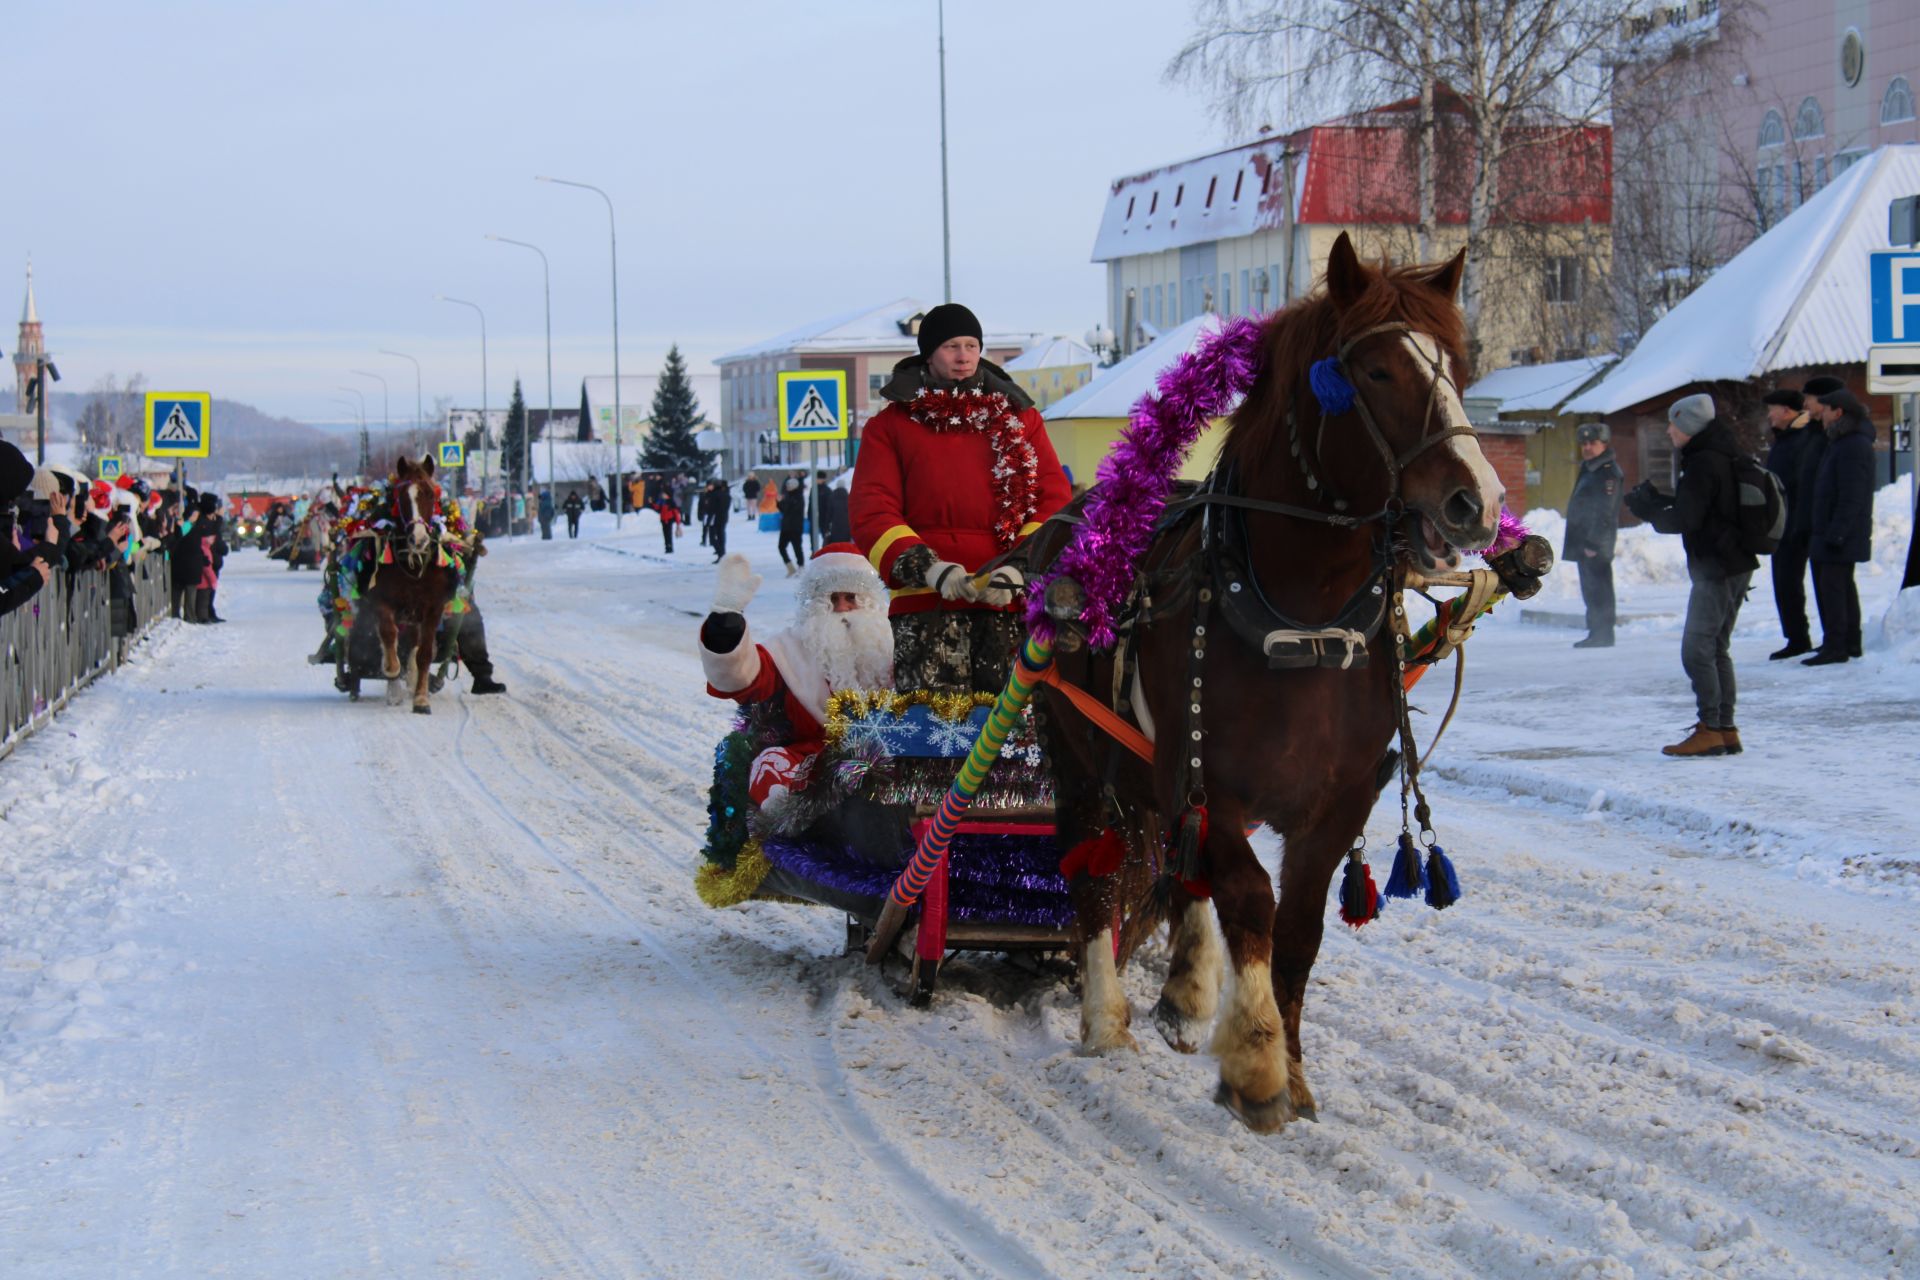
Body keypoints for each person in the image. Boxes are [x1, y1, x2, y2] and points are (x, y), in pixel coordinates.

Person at [850, 301, 1072, 693]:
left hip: (1005, 599)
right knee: (935, 735)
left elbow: (1050, 498)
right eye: (952, 346)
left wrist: (1018, 569)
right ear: (929, 353)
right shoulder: (890, 426)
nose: (964, 356)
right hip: (926, 606)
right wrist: (930, 569)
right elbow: (873, 510)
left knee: (1012, 734)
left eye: (972, 345)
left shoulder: (1020, 418)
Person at [698, 543, 892, 812]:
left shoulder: (890, 645)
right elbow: (743, 678)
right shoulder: (788, 649)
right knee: (770, 765)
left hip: (888, 759)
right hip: (813, 763)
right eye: (831, 600)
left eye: (852, 597)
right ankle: (789, 836)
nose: (843, 608)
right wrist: (726, 621)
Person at [1625, 392, 1759, 758]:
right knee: (1717, 648)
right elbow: (1698, 509)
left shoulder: (1703, 462)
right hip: (1734, 562)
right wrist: (1657, 502)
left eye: (1673, 423)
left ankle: (1710, 728)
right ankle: (1725, 728)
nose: (1668, 430)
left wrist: (1649, 509)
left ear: (1689, 425)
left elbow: (1686, 518)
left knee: (1696, 650)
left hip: (1716, 567)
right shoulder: (1722, 455)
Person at [1802, 386, 1877, 666]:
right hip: (1834, 531)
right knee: (1841, 587)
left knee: (1834, 588)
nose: (1821, 415)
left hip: (1840, 533)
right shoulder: (1841, 442)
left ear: (1839, 412)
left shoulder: (1853, 445)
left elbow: (1852, 494)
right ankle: (1848, 643)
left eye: (1826, 410)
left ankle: (1838, 646)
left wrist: (1838, 531)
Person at [1762, 384, 1829, 659]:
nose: (1769, 416)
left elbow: (1798, 483)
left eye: (1772, 410)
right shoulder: (1786, 438)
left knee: (1792, 581)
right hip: (1784, 521)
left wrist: (1796, 520)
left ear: (1787, 411)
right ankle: (1796, 637)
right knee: (1785, 581)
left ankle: (1803, 638)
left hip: (1795, 522)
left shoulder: (1800, 440)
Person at [1563, 422, 1624, 648]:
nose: (1587, 447)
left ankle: (1603, 634)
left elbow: (1605, 512)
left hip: (1595, 543)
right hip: (1585, 540)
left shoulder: (1607, 472)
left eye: (1593, 443)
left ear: (1604, 444)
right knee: (1591, 588)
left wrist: (1593, 542)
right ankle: (1596, 631)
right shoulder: (1591, 468)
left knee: (1600, 589)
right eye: (1584, 443)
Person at [776, 477, 806, 576]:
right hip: (786, 526)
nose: (787, 487)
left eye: (789, 485)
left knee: (797, 547)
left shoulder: (799, 497)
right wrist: (778, 502)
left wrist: (783, 503)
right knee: (781, 547)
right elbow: (783, 509)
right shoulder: (788, 496)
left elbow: (791, 509)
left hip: (795, 527)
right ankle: (790, 567)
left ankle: (801, 566)